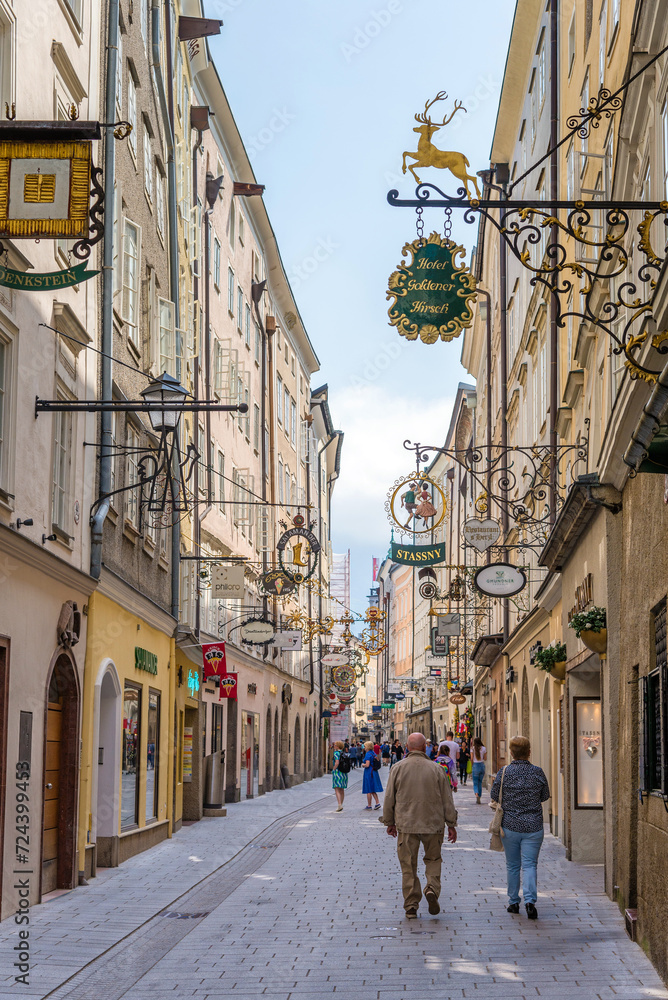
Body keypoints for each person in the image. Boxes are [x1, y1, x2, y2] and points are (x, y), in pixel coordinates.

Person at [381, 732, 457, 919]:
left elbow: (389, 797)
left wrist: (389, 822)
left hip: (407, 824)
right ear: (425, 748)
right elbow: (447, 799)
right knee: (433, 860)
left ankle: (411, 905)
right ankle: (431, 887)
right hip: (433, 824)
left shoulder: (397, 768)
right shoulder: (437, 769)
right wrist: (452, 824)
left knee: (408, 865)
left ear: (407, 747)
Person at [490, 736, 550, 920]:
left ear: (511, 753)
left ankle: (513, 902)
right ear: (529, 752)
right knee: (530, 864)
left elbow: (494, 794)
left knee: (513, 865)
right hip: (533, 826)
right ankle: (530, 902)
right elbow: (545, 796)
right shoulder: (537, 772)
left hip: (510, 826)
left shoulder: (504, 772)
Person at [362, 740, 383, 809]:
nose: (364, 747)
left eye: (365, 746)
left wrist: (363, 764)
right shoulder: (373, 753)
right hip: (374, 772)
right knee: (373, 789)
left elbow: (367, 765)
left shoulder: (368, 754)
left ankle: (369, 805)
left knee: (369, 789)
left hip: (369, 772)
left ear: (367, 747)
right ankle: (377, 803)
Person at [331, 740, 349, 812]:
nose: (334, 746)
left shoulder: (336, 753)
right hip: (344, 773)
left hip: (338, 772)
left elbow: (337, 762)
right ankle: (341, 804)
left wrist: (333, 769)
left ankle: (339, 805)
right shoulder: (344, 753)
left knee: (337, 788)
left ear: (337, 746)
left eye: (335, 745)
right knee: (342, 789)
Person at [471, 736, 487, 804]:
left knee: (475, 783)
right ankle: (479, 796)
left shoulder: (472, 748)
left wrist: (472, 765)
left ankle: (476, 794)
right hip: (482, 765)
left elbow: (471, 758)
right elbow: (485, 758)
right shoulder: (484, 748)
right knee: (480, 782)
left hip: (475, 765)